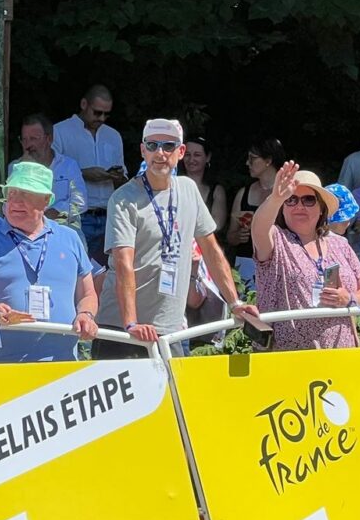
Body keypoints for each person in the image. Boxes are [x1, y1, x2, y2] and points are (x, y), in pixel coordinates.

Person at [97, 120, 254, 354]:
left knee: (172, 392)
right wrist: (131, 323)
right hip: (122, 327)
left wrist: (235, 303)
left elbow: (211, 250)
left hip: (170, 327)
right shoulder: (123, 198)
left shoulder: (188, 189)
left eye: (169, 146)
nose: (160, 153)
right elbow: (123, 264)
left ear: (180, 152)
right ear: (143, 150)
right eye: (152, 145)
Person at [0, 162, 99, 363]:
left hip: (63, 368)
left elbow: (88, 293)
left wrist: (86, 314)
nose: (15, 202)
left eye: (25, 194)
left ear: (45, 201)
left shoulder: (70, 238)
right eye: (12, 193)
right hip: (3, 367)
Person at [252, 163, 360, 349]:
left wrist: (348, 299)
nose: (299, 206)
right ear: (282, 208)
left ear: (321, 209)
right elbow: (258, 228)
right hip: (290, 361)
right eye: (291, 200)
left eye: (308, 200)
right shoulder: (277, 240)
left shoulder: (339, 244)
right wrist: (276, 198)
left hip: (342, 357)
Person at [53, 85, 128, 267]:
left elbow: (125, 179)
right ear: (84, 104)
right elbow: (52, 173)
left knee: (108, 271)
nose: (101, 118)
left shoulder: (113, 135)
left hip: (109, 214)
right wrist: (85, 174)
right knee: (76, 269)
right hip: (78, 215)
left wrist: (117, 176)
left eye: (106, 114)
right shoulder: (60, 131)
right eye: (97, 113)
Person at [229, 137, 287, 281]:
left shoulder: (287, 194)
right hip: (246, 264)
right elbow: (230, 236)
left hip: (278, 264)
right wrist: (237, 236)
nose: (247, 163)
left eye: (252, 158)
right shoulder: (243, 193)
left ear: (268, 161)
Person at [14, 113, 86, 229]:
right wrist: (26, 169)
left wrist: (52, 214)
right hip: (27, 233)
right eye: (24, 139)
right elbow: (7, 204)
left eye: (33, 139)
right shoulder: (16, 167)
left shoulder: (68, 165)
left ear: (49, 139)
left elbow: (80, 202)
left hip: (65, 229)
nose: (28, 145)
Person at [182, 136, 229, 244]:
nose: (191, 159)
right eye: (187, 155)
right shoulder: (173, 185)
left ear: (208, 157)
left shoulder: (216, 190)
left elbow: (217, 225)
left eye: (197, 155)